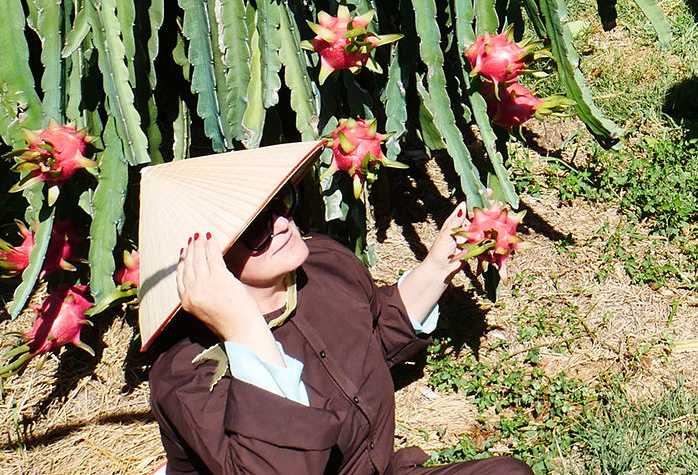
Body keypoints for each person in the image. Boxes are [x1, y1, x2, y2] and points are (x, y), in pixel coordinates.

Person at [142, 141, 531, 475]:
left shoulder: (323, 264)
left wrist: (439, 265)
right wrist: (244, 329)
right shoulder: (189, 371)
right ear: (208, 266)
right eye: (256, 229)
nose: (282, 225)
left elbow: (371, 336)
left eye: (280, 204)